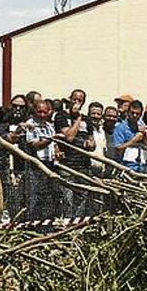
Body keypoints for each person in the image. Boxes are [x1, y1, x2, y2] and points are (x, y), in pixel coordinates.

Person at [53, 89, 94, 217]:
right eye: (74, 99)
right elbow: (69, 137)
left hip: (83, 165)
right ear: (70, 99)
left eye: (80, 100)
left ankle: (78, 227)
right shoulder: (61, 116)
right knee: (67, 200)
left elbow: (91, 140)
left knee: (82, 199)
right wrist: (77, 119)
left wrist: (90, 144)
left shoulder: (87, 120)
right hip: (67, 165)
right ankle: (66, 226)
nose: (76, 102)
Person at [25, 101, 59, 220]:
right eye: (39, 111)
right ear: (34, 110)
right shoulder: (30, 124)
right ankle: (32, 223)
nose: (42, 114)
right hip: (36, 165)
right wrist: (50, 139)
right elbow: (35, 145)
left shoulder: (49, 126)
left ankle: (47, 223)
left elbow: (55, 145)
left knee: (48, 196)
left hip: (50, 164)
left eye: (45, 112)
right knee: (35, 196)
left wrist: (58, 151)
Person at [113, 100, 147, 173]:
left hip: (142, 165)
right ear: (128, 113)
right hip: (126, 166)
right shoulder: (120, 128)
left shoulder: (142, 128)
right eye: (132, 113)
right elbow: (118, 148)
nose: (135, 116)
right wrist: (134, 140)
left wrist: (145, 136)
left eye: (137, 114)